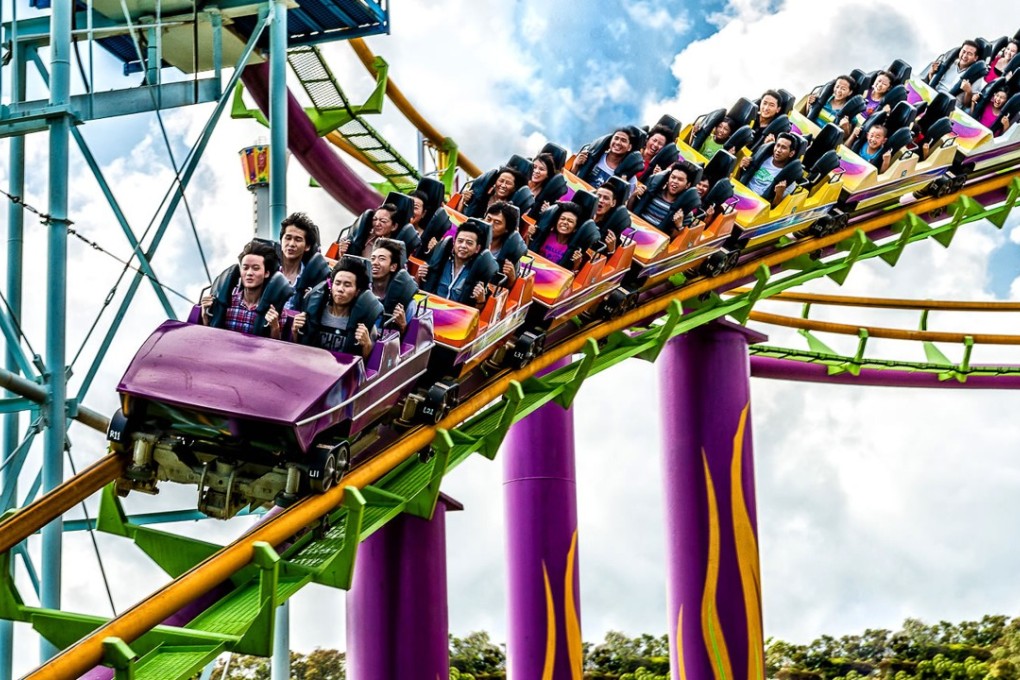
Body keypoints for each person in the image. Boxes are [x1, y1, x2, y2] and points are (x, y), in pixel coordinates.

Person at [201, 240, 292, 339]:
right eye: (245, 268)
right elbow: (208, 338)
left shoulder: (277, 311)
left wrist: (274, 327)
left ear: (266, 273)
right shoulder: (225, 303)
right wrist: (205, 315)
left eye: (255, 268)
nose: (249, 273)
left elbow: (278, 350)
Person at [292, 258, 379, 359]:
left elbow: (367, 367)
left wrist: (367, 345)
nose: (340, 289)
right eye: (337, 283)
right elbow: (297, 352)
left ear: (357, 291)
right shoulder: (313, 314)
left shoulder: (365, 324)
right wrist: (295, 331)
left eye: (347, 285)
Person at [417, 219, 495, 306]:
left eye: (469, 243)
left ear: (477, 248)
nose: (463, 246)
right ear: (454, 243)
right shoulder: (441, 262)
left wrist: (480, 300)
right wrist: (419, 276)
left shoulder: (478, 272)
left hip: (458, 317)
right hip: (431, 310)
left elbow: (478, 312)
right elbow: (419, 289)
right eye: (460, 241)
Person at [278, 212, 330, 311]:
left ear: (307, 246)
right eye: (288, 238)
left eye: (298, 239)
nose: (292, 244)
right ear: (281, 241)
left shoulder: (314, 278)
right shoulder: (268, 271)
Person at [629, 162, 699, 235]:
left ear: (687, 185)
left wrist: (679, 225)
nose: (675, 181)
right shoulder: (650, 193)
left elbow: (674, 240)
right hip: (633, 230)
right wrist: (634, 196)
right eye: (673, 177)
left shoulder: (685, 211)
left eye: (680, 180)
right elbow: (630, 211)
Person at [369, 239, 418, 334]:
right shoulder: (360, 290)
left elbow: (410, 339)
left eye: (381, 259)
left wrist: (402, 325)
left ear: (393, 267)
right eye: (373, 258)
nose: (375, 262)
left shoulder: (406, 301)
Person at [571, 126, 644, 190]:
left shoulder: (629, 176)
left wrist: (623, 188)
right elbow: (571, 181)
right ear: (610, 141)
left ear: (629, 147)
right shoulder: (592, 157)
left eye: (623, 140)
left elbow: (624, 204)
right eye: (616, 138)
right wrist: (576, 165)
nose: (618, 142)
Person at [738, 132, 800, 206]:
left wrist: (779, 194)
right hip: (740, 193)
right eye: (778, 145)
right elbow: (738, 179)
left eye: (783, 148)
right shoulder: (761, 158)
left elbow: (774, 208)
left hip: (758, 206)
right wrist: (740, 168)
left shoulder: (788, 179)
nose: (778, 150)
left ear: (791, 153)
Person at [531, 201, 586, 270]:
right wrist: (528, 235)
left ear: (575, 228)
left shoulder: (574, 249)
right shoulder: (545, 235)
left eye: (570, 221)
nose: (565, 222)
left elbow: (571, 274)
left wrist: (576, 264)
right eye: (562, 219)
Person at [928, 39, 983, 105]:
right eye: (964, 51)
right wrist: (931, 73)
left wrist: (968, 92)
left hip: (949, 106)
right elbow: (932, 83)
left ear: (975, 58)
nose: (965, 56)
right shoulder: (948, 63)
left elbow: (967, 104)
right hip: (932, 95)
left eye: (969, 54)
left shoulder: (977, 76)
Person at [337, 203, 401, 259]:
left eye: (383, 221)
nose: (377, 224)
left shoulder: (394, 249)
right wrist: (342, 252)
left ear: (394, 226)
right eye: (375, 219)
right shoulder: (362, 235)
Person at [485, 201, 527, 284]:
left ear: (506, 229)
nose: (490, 224)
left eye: (497, 222)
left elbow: (508, 289)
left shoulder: (511, 250)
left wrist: (511, 277)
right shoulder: (471, 239)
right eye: (488, 219)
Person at [460, 167, 525, 218]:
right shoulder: (480, 196)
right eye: (501, 181)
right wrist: (464, 200)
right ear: (495, 182)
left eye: (508, 183)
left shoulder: (510, 210)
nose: (503, 185)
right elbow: (457, 214)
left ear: (514, 188)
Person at [523, 153, 566, 220]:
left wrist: (546, 212)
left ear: (547, 175)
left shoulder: (546, 196)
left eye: (541, 169)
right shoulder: (521, 183)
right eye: (534, 167)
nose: (536, 171)